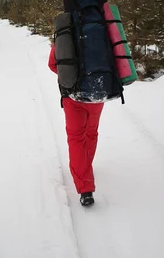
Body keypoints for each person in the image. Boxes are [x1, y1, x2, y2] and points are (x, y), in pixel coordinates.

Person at [48, 44, 104, 206]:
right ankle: (84, 165)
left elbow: (52, 64)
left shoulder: (64, 27)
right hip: (97, 92)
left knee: (76, 138)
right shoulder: (102, 25)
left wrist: (70, 76)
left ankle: (85, 187)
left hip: (71, 94)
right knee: (91, 132)